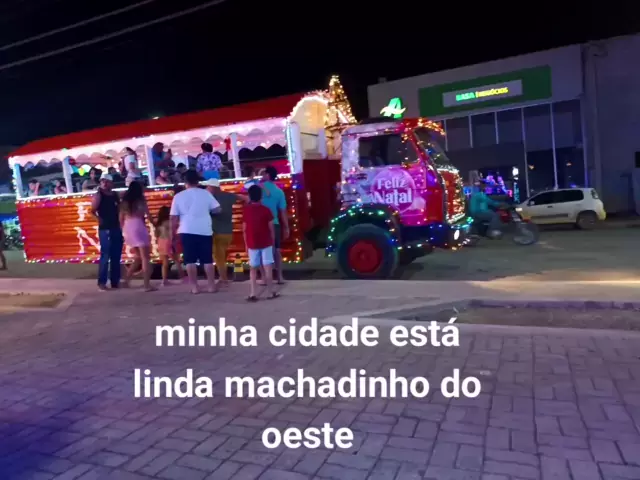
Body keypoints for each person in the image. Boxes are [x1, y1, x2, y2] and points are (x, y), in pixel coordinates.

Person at [170, 169, 221, 294]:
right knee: (207, 259)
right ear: (198, 181)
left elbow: (173, 218)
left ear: (185, 182)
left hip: (186, 230)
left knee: (190, 260)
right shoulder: (205, 194)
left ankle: (195, 287)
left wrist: (172, 233)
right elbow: (218, 209)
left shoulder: (178, 196)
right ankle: (211, 286)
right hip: (205, 230)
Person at [203, 178, 248, 284]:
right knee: (222, 257)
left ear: (213, 187)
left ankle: (223, 279)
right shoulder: (228, 196)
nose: (206, 188)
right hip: (228, 233)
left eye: (208, 187)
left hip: (216, 232)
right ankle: (222, 277)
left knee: (218, 258)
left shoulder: (210, 198)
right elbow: (245, 198)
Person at [243, 185, 279, 301]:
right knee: (268, 267)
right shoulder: (266, 210)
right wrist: (273, 242)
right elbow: (271, 229)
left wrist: (246, 244)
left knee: (253, 268)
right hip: (266, 242)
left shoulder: (246, 210)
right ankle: (270, 292)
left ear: (249, 196)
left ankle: (253, 293)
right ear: (261, 196)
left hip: (252, 243)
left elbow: (244, 229)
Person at [120, 181, 155, 291]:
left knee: (138, 257)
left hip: (127, 228)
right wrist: (156, 225)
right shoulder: (141, 201)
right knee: (145, 258)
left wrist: (122, 232)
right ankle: (146, 285)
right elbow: (148, 216)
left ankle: (126, 280)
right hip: (138, 226)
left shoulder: (124, 202)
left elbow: (120, 219)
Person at [90, 174, 123, 291]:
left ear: (111, 183)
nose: (104, 183)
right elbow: (92, 211)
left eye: (106, 181)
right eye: (102, 181)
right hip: (105, 228)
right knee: (106, 255)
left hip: (115, 226)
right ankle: (102, 282)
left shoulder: (115, 195)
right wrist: (99, 219)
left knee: (116, 255)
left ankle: (115, 281)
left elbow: (120, 209)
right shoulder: (99, 195)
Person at [260, 165, 289, 284]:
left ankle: (264, 278)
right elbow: (283, 211)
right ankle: (279, 277)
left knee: (262, 250)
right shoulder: (279, 192)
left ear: (267, 175)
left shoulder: (259, 188)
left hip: (260, 224)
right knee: (276, 250)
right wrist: (286, 227)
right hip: (275, 224)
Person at [156, 205, 184, 285]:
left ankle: (164, 280)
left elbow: (157, 234)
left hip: (161, 242)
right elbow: (172, 233)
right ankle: (182, 277)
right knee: (177, 260)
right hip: (169, 242)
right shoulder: (169, 223)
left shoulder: (158, 224)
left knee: (165, 263)